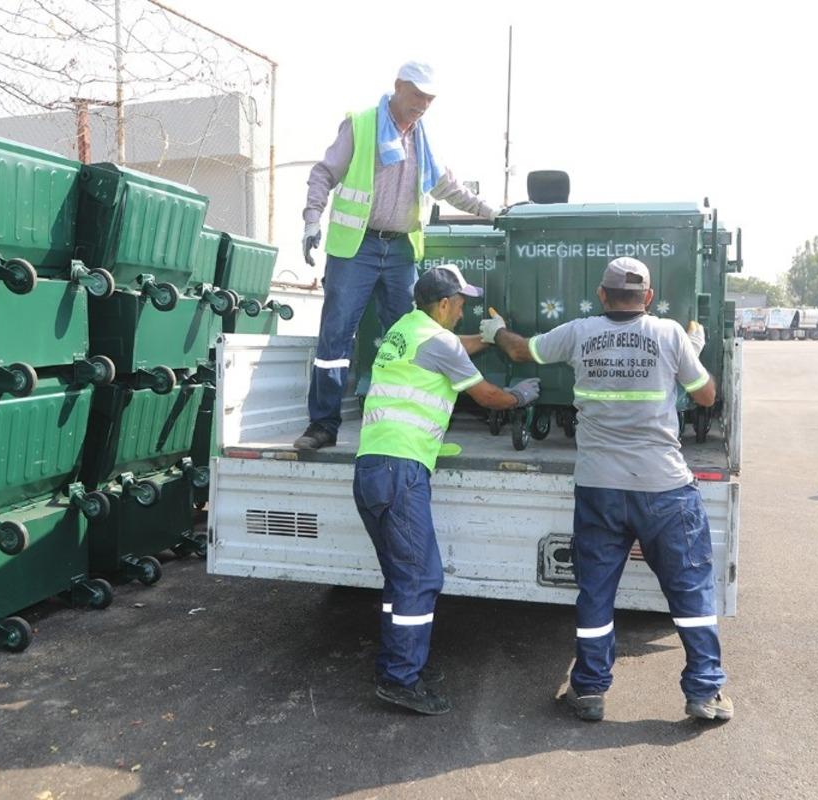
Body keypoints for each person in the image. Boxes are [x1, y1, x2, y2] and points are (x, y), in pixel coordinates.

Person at [480, 256, 733, 723]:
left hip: (599, 486)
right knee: (690, 591)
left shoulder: (579, 332)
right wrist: (691, 349)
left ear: (602, 295)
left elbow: (521, 352)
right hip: (664, 488)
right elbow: (705, 397)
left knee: (596, 592)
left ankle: (590, 690)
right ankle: (705, 692)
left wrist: (495, 331)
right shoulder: (669, 334)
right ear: (649, 298)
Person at [354, 264, 540, 715]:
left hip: (374, 468)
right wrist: (522, 396)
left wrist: (491, 338)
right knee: (420, 578)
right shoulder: (436, 341)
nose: (463, 311)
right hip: (402, 471)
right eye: (460, 304)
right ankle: (400, 679)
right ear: (442, 304)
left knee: (401, 579)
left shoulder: (407, 329)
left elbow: (455, 348)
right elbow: (487, 396)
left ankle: (397, 665)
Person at [296, 60, 500, 451]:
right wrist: (310, 220)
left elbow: (448, 187)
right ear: (397, 87)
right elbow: (323, 173)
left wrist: (493, 212)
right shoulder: (361, 124)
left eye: (429, 98)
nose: (422, 104)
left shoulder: (422, 140)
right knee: (336, 337)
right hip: (357, 247)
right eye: (417, 95)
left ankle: (409, 426)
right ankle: (322, 426)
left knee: (410, 337)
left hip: (401, 249)